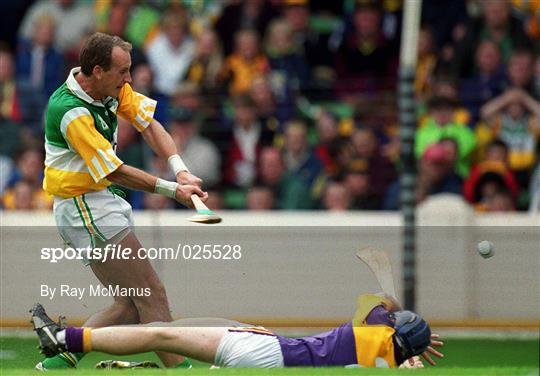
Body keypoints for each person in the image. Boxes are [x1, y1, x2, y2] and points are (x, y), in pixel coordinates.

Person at [39, 32, 207, 371]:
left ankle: (59, 358)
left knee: (131, 304)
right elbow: (114, 171)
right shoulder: (71, 112)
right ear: (98, 71)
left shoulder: (109, 88)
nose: (129, 79)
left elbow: (149, 126)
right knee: (151, 293)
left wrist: (182, 171)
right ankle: (183, 369)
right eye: (123, 72)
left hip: (98, 202)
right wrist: (173, 190)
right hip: (83, 206)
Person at [31, 291, 443, 369]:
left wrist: (396, 311)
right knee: (167, 331)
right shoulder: (383, 358)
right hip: (277, 350)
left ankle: (65, 340)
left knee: (161, 333)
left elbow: (376, 300)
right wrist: (406, 352)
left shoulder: (376, 332)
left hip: (268, 357)